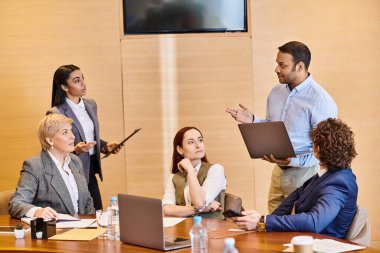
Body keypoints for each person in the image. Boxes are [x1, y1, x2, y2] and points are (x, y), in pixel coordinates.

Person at [226, 41, 337, 213]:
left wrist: (293, 160)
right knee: (273, 225)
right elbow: (273, 127)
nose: (276, 69)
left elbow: (326, 151)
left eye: (282, 65)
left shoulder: (320, 100)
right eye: (277, 64)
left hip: (305, 174)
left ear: (300, 66)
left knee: (296, 229)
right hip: (278, 171)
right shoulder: (276, 92)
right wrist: (253, 121)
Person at [231, 118, 358, 239]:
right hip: (309, 240)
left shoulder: (338, 183)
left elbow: (314, 221)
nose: (311, 147)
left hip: (323, 245)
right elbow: (296, 196)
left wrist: (264, 221)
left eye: (313, 143)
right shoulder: (329, 173)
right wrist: (263, 221)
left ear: (318, 149)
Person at [47, 64, 121, 210]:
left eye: (82, 78)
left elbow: (88, 135)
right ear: (64, 87)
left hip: (91, 167)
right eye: (76, 80)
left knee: (97, 212)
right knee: (80, 215)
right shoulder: (55, 112)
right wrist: (75, 150)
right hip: (71, 170)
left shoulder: (91, 104)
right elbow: (51, 148)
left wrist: (105, 146)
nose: (83, 83)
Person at [9, 114, 95, 219]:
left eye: (71, 130)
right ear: (50, 140)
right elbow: (16, 203)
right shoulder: (35, 166)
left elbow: (87, 201)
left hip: (83, 229)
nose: (72, 136)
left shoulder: (75, 161)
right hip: (55, 232)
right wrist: (37, 211)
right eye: (65, 132)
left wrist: (91, 223)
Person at [162, 127, 227, 219]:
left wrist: (189, 169)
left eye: (200, 140)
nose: (198, 145)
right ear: (180, 149)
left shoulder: (216, 170)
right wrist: (198, 209)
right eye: (191, 142)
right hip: (183, 229)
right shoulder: (174, 177)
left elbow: (199, 203)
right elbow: (167, 210)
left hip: (210, 230)